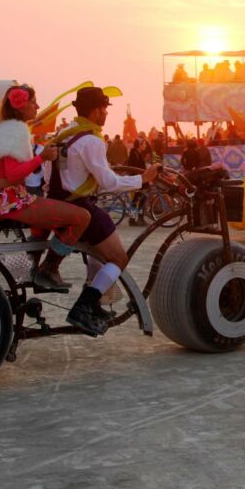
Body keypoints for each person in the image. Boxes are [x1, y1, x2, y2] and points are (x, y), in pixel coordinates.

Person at [44, 86, 160, 335]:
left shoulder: (62, 134)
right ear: (97, 111)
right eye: (105, 109)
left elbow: (47, 175)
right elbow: (109, 183)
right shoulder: (92, 140)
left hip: (56, 204)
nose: (107, 114)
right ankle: (84, 307)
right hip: (78, 206)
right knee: (118, 258)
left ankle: (94, 302)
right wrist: (144, 179)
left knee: (98, 252)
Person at [0, 84, 91, 288]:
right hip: (12, 201)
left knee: (47, 218)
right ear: (20, 106)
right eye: (33, 102)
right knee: (82, 217)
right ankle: (48, 270)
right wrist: (42, 157)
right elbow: (13, 175)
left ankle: (30, 264)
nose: (37, 106)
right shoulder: (16, 130)